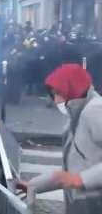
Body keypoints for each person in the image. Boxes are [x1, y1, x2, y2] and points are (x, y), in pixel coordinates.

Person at [18, 64, 102, 214]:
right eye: (53, 94)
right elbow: (68, 172)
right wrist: (34, 185)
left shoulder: (94, 111)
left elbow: (75, 176)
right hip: (81, 202)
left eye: (59, 93)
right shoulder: (76, 116)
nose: (56, 101)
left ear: (74, 88)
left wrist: (82, 179)